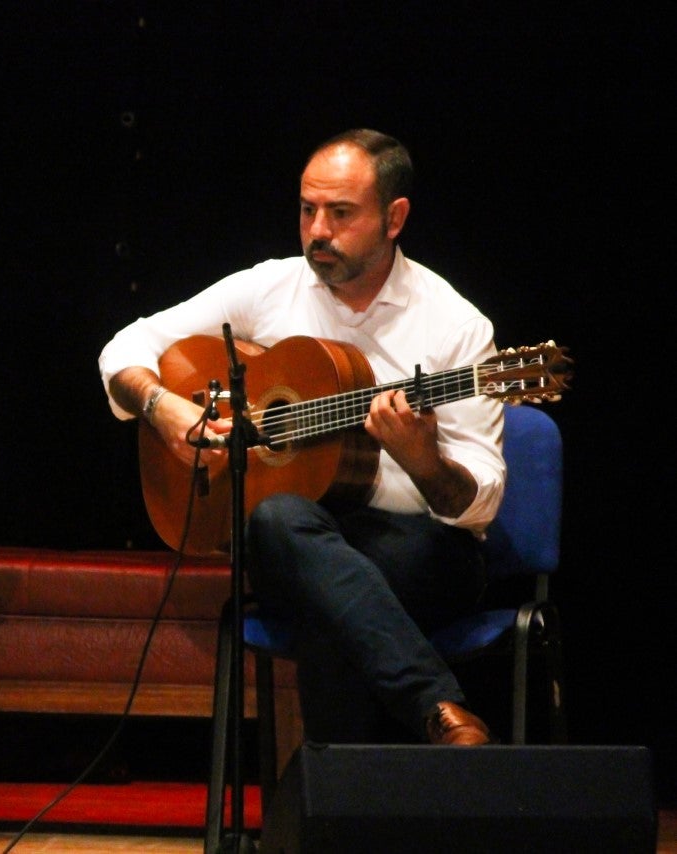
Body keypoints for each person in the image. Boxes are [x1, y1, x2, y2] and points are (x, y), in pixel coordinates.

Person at [98, 129, 500, 747]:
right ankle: (438, 711)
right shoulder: (272, 288)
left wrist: (424, 463)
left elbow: (481, 502)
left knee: (329, 601)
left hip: (417, 548)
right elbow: (125, 346)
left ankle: (332, 819)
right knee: (281, 517)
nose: (317, 231)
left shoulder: (456, 325)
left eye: (341, 214)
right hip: (302, 539)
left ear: (395, 218)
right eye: (308, 210)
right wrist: (164, 408)